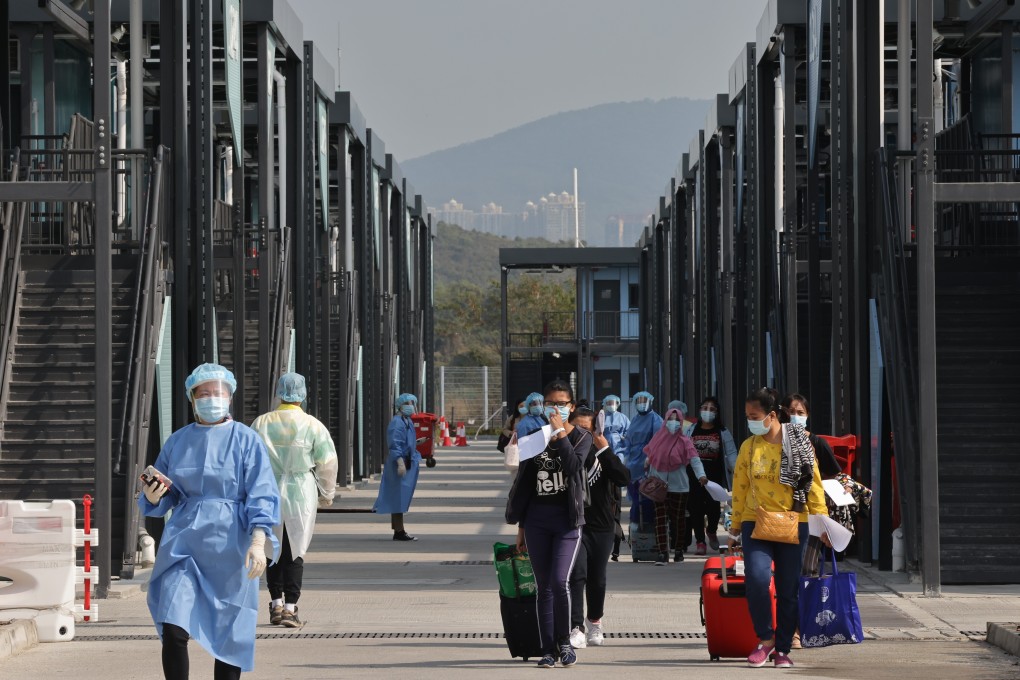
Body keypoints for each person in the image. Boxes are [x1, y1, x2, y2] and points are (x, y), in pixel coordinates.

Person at [139, 363, 281, 680]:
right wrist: (153, 496)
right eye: (204, 393)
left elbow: (262, 492)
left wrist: (259, 540)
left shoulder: (247, 441)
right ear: (193, 398)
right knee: (174, 624)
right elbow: (166, 494)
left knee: (230, 631)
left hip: (233, 546)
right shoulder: (177, 442)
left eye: (217, 393)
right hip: (184, 544)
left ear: (229, 397)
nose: (211, 398)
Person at [728, 387, 829, 669]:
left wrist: (823, 523)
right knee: (758, 579)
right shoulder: (750, 446)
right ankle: (766, 639)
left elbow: (814, 483)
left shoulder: (800, 442)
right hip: (754, 520)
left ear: (772, 415)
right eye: (748, 416)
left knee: (789, 589)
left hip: (794, 521)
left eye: (754, 416)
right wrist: (735, 527)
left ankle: (783, 648)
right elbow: (740, 487)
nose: (750, 421)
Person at [506, 380, 588, 668]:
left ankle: (565, 643)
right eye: (551, 403)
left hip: (567, 521)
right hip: (537, 520)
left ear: (571, 407)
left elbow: (574, 467)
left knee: (559, 581)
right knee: (543, 586)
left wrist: (559, 434)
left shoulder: (580, 437)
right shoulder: (535, 437)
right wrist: (521, 527)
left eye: (562, 404)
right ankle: (548, 649)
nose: (556, 408)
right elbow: (525, 482)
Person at [251, 373, 338, 628]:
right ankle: (291, 607)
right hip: (301, 492)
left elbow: (249, 459)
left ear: (279, 392)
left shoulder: (261, 423)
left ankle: (275, 603)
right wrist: (327, 493)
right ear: (302, 394)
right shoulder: (312, 425)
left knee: (270, 550)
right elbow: (327, 462)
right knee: (296, 549)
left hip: (267, 490)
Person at [566, 404, 631, 649]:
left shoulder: (601, 454)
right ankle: (576, 627)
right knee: (577, 575)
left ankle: (594, 621)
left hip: (601, 525)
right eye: (577, 429)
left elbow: (624, 478)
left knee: (597, 578)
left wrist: (604, 448)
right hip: (573, 525)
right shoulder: (564, 452)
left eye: (588, 430)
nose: (582, 434)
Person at [644, 406, 707, 564]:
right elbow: (651, 456)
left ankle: (678, 549)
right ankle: (662, 553)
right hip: (658, 485)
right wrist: (647, 468)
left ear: (681, 422)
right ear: (665, 421)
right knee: (660, 519)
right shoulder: (658, 438)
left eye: (677, 420)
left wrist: (701, 475)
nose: (673, 423)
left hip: (679, 487)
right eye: (670, 419)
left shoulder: (685, 441)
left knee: (678, 520)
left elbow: (694, 460)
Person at [685, 396, 739, 554]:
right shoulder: (691, 429)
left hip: (714, 477)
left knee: (714, 507)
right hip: (694, 476)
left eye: (712, 409)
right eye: (704, 408)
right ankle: (700, 541)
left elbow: (731, 453)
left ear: (717, 413)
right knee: (695, 508)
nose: (707, 411)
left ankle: (712, 530)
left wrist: (737, 471)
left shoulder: (722, 431)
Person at [373, 393, 423, 541]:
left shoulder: (406, 421)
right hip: (399, 464)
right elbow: (395, 444)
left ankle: (398, 529)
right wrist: (400, 461)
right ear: (400, 405)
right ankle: (399, 531)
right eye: (408, 403)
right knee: (398, 497)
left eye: (413, 403)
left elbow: (405, 441)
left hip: (407, 462)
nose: (412, 406)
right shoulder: (397, 422)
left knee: (401, 497)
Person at [621, 390, 662, 531]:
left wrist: (651, 458)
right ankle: (635, 522)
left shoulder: (655, 419)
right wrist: (625, 457)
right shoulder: (634, 419)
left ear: (650, 401)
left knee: (646, 496)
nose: (642, 404)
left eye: (644, 401)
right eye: (639, 401)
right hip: (633, 461)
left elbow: (658, 442)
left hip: (647, 461)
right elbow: (628, 439)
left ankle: (644, 524)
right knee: (634, 494)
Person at [599, 394, 630, 560]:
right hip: (604, 458)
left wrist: (623, 448)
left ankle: (616, 547)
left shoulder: (623, 418)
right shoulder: (601, 417)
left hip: (617, 457)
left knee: (615, 506)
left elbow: (628, 436)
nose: (611, 405)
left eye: (613, 403)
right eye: (608, 403)